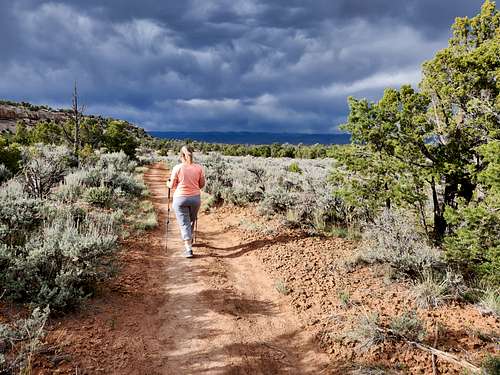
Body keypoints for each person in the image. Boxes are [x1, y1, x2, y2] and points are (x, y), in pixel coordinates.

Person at [167, 145, 205, 258]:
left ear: (181, 155)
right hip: (195, 199)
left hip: (180, 199)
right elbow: (202, 185)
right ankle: (190, 238)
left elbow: (172, 185)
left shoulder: (177, 168)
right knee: (191, 220)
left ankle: (188, 249)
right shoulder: (199, 168)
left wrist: (167, 183)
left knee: (184, 223)